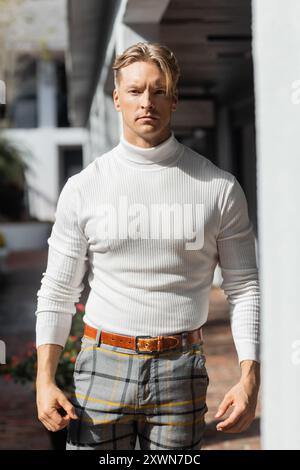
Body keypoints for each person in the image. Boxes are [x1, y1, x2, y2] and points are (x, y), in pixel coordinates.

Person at [35, 42, 260, 450]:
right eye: (136, 91)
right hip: (101, 362)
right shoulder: (85, 188)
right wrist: (44, 379)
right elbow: (57, 289)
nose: (147, 102)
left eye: (159, 91)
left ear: (174, 99)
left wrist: (249, 378)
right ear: (117, 98)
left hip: (182, 367)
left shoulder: (219, 188)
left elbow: (244, 289)